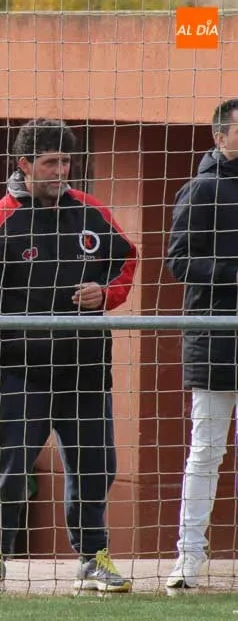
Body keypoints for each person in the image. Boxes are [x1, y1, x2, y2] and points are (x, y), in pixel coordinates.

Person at [0, 119, 138, 595]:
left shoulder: (92, 213)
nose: (60, 171)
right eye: (50, 162)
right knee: (9, 472)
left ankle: (93, 557)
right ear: (25, 164)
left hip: (85, 371)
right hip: (21, 374)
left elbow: (127, 258)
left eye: (66, 162)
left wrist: (105, 293)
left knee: (96, 468)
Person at [165, 98, 238, 590]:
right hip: (214, 340)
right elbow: (178, 260)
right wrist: (233, 274)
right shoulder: (201, 189)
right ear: (219, 136)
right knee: (206, 451)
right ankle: (189, 557)